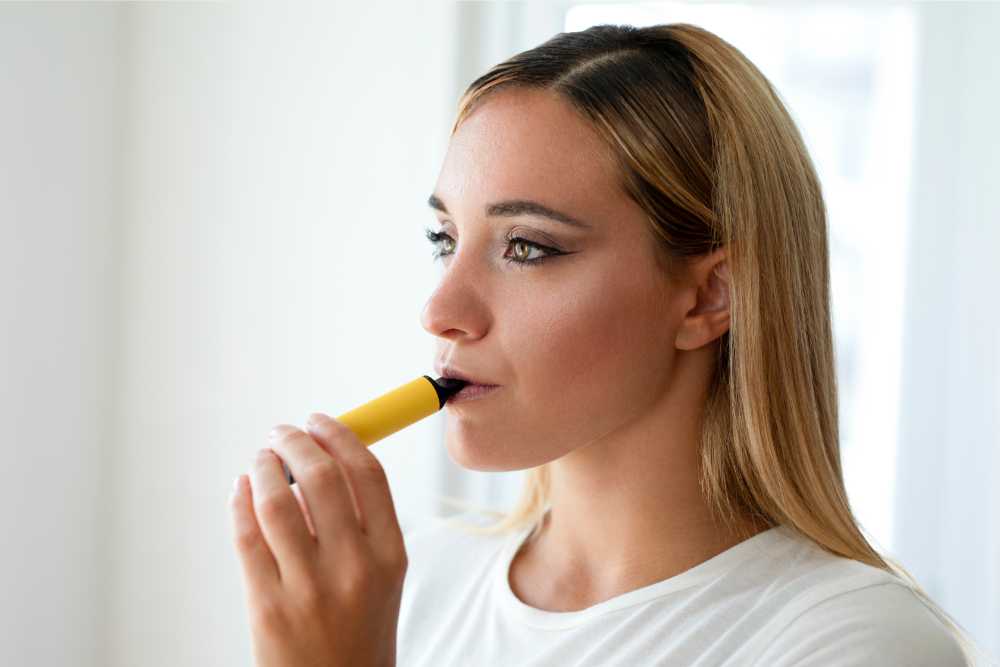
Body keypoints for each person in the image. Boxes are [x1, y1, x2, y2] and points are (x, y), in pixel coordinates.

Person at [400, 22, 982, 666]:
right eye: (445, 240)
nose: (440, 312)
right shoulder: (413, 585)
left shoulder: (857, 642)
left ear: (710, 297)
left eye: (528, 248)